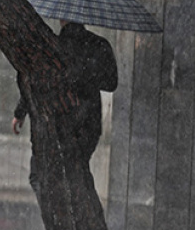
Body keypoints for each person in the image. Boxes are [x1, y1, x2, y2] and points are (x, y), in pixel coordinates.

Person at [11, 19, 118, 192]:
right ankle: (79, 216)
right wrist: (87, 73)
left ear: (62, 18)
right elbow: (111, 82)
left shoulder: (53, 47)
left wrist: (20, 112)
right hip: (89, 123)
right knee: (77, 174)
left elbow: (35, 79)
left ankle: (59, 216)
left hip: (58, 121)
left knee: (40, 176)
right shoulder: (99, 45)